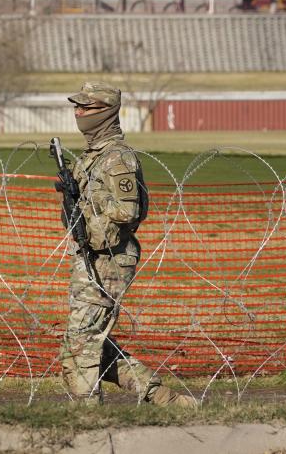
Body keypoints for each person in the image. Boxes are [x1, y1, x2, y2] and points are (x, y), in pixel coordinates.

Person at [59, 81, 196, 407]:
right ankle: (165, 398)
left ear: (105, 112)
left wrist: (89, 209)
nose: (79, 113)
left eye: (86, 108)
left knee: (82, 342)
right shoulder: (93, 156)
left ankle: (87, 416)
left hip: (110, 258)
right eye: (76, 107)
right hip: (91, 255)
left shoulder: (117, 158)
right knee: (85, 343)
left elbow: (127, 210)